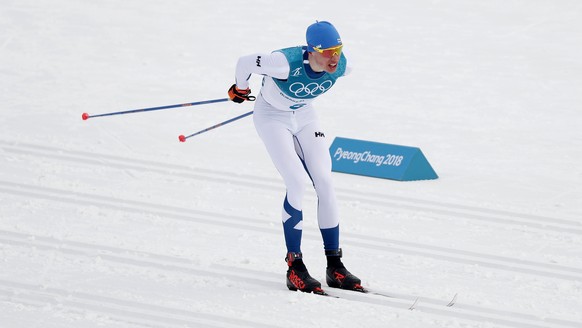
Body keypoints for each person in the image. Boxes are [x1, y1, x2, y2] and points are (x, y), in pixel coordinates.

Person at [227, 21, 362, 294]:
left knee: (325, 181)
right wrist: (240, 88)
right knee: (297, 182)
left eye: (337, 49)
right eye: (327, 52)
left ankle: (334, 266)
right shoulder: (283, 63)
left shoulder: (343, 65)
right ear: (312, 50)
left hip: (304, 116)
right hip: (271, 118)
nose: (333, 57)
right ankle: (294, 267)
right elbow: (245, 62)